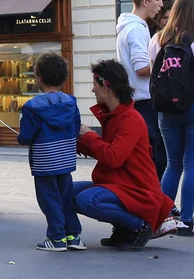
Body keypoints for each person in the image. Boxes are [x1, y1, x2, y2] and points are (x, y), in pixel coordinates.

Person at [75, 60, 175, 251]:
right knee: (66, 190)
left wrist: (90, 137)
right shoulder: (115, 116)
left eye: (95, 85)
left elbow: (113, 157)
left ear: (106, 86)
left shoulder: (130, 119)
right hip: (119, 184)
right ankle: (122, 228)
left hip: (137, 190)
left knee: (86, 200)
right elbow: (106, 150)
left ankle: (139, 227)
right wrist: (80, 143)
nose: (93, 90)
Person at [149, 0, 194, 235]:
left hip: (166, 109)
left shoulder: (157, 39)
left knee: (172, 164)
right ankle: (186, 221)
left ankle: (163, 218)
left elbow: (154, 71)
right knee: (193, 164)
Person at [17, 53, 85, 252]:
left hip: (44, 161)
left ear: (39, 78)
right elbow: (75, 128)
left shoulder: (32, 107)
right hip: (65, 158)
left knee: (49, 199)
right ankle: (73, 236)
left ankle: (56, 238)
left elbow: (27, 136)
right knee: (65, 197)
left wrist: (20, 138)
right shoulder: (71, 102)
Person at [116, 0, 166, 180]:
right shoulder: (136, 29)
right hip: (144, 101)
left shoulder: (130, 26)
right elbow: (142, 68)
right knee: (157, 157)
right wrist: (167, 63)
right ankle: (157, 202)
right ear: (146, 1)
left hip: (137, 99)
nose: (161, 4)